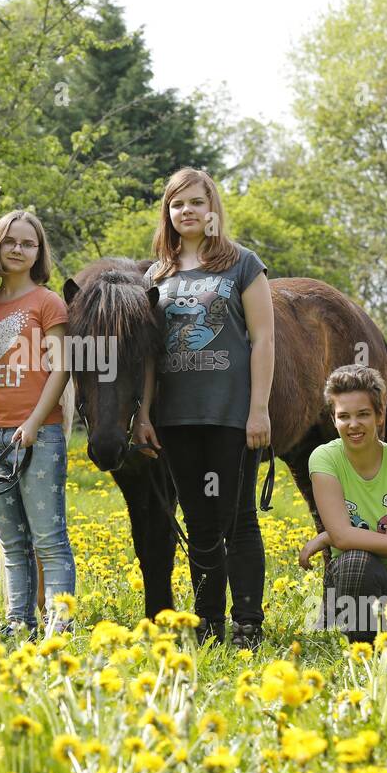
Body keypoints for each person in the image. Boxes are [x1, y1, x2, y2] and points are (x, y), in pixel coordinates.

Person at [134, 168, 274, 649]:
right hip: (177, 420)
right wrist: (145, 413)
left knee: (237, 520)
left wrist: (259, 410)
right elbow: (150, 354)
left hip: (231, 416)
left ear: (212, 209)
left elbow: (263, 340)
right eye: (177, 204)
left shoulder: (242, 264)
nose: (187, 211)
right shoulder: (157, 274)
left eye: (196, 202)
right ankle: (209, 622)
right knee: (198, 522)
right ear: (167, 213)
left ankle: (248, 623)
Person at [0, 209, 76, 641]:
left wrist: (33, 422)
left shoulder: (48, 303)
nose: (18, 249)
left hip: (39, 434)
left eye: (27, 243)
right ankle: (18, 622)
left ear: (38, 252)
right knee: (11, 542)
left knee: (49, 538)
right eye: (10, 241)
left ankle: (59, 624)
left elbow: (62, 368)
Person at [300, 365, 387, 642]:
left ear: (379, 415)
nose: (353, 424)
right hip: (357, 574)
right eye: (344, 416)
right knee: (355, 562)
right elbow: (345, 538)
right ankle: (361, 643)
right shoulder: (324, 459)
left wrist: (332, 536)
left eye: (363, 414)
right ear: (334, 419)